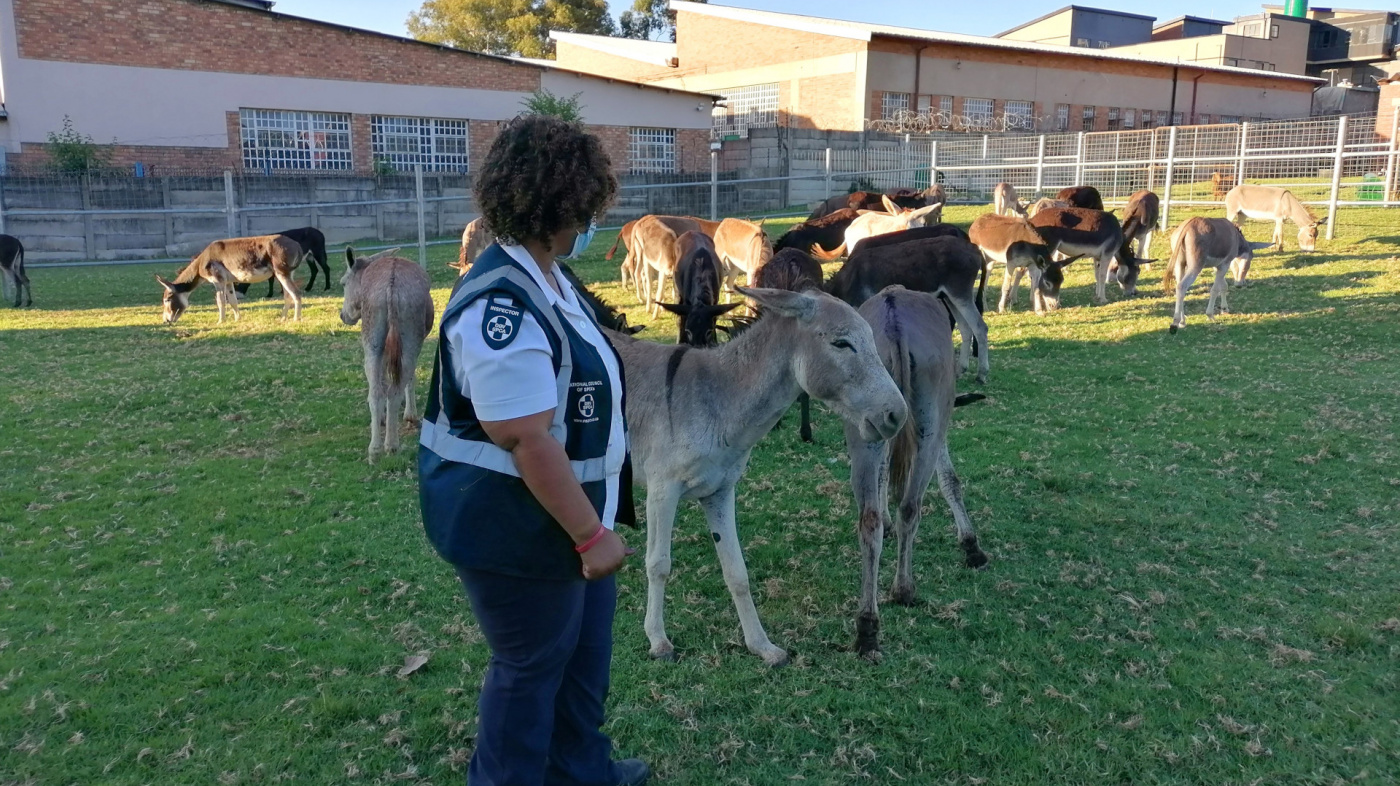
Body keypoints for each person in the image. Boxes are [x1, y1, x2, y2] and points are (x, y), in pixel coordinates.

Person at [418, 115, 648, 786]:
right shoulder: (503, 306)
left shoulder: (549, 277)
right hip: (519, 527)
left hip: (571, 517)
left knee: (581, 661)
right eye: (589, 205)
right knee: (529, 670)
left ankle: (581, 770)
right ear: (567, 204)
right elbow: (523, 436)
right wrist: (587, 536)